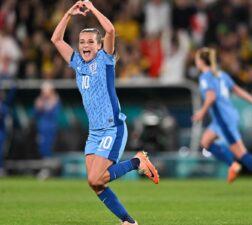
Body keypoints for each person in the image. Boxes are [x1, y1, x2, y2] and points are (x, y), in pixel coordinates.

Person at [51, 1, 159, 224]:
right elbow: (56, 39)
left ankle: (138, 162)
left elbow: (110, 30)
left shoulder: (105, 60)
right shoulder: (77, 64)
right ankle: (128, 221)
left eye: (90, 41)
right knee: (95, 183)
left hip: (113, 127)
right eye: (82, 42)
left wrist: (92, 7)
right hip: (94, 132)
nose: (85, 45)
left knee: (95, 177)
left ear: (99, 46)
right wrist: (69, 14)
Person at [192, 47, 252, 192]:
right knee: (205, 141)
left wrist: (201, 112)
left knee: (241, 153)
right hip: (223, 118)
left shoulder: (205, 77)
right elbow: (238, 90)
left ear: (201, 61)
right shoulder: (221, 75)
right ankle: (232, 165)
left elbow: (211, 97)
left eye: (197, 60)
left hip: (224, 119)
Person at [34, 81, 61, 159]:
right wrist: (38, 107)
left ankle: (49, 166)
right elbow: (35, 115)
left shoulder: (55, 101)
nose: (44, 93)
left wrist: (50, 106)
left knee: (50, 147)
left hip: (51, 129)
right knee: (42, 147)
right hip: (41, 129)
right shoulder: (40, 101)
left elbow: (55, 115)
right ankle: (44, 165)